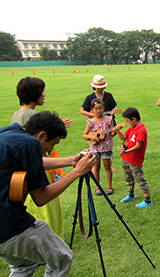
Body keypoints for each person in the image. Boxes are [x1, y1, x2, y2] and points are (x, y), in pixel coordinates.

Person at [0, 111, 96, 277]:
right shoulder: (30, 144)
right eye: (53, 144)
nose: (51, 149)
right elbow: (41, 198)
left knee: (24, 264)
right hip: (8, 227)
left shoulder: (10, 133)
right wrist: (76, 172)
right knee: (62, 258)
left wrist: (71, 161)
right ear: (41, 135)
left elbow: (33, 161)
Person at [11, 76, 71, 238]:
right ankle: (50, 237)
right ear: (34, 93)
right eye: (41, 92)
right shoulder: (31, 115)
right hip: (38, 166)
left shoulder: (18, 114)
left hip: (24, 171)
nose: (44, 95)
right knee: (47, 206)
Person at [82, 98, 121, 196]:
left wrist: (115, 130)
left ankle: (109, 186)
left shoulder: (109, 120)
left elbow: (112, 133)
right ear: (92, 110)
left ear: (104, 108)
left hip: (106, 147)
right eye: (96, 109)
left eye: (100, 108)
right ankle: (97, 187)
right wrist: (91, 137)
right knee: (96, 167)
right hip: (95, 148)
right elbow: (84, 135)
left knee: (107, 166)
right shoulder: (91, 121)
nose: (98, 111)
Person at [116, 107, 152, 208]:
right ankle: (131, 194)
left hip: (135, 160)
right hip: (126, 158)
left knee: (139, 178)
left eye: (128, 121)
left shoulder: (141, 130)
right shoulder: (132, 128)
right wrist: (118, 131)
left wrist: (126, 151)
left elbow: (138, 146)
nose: (127, 123)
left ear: (134, 119)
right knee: (128, 177)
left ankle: (148, 200)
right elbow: (124, 138)